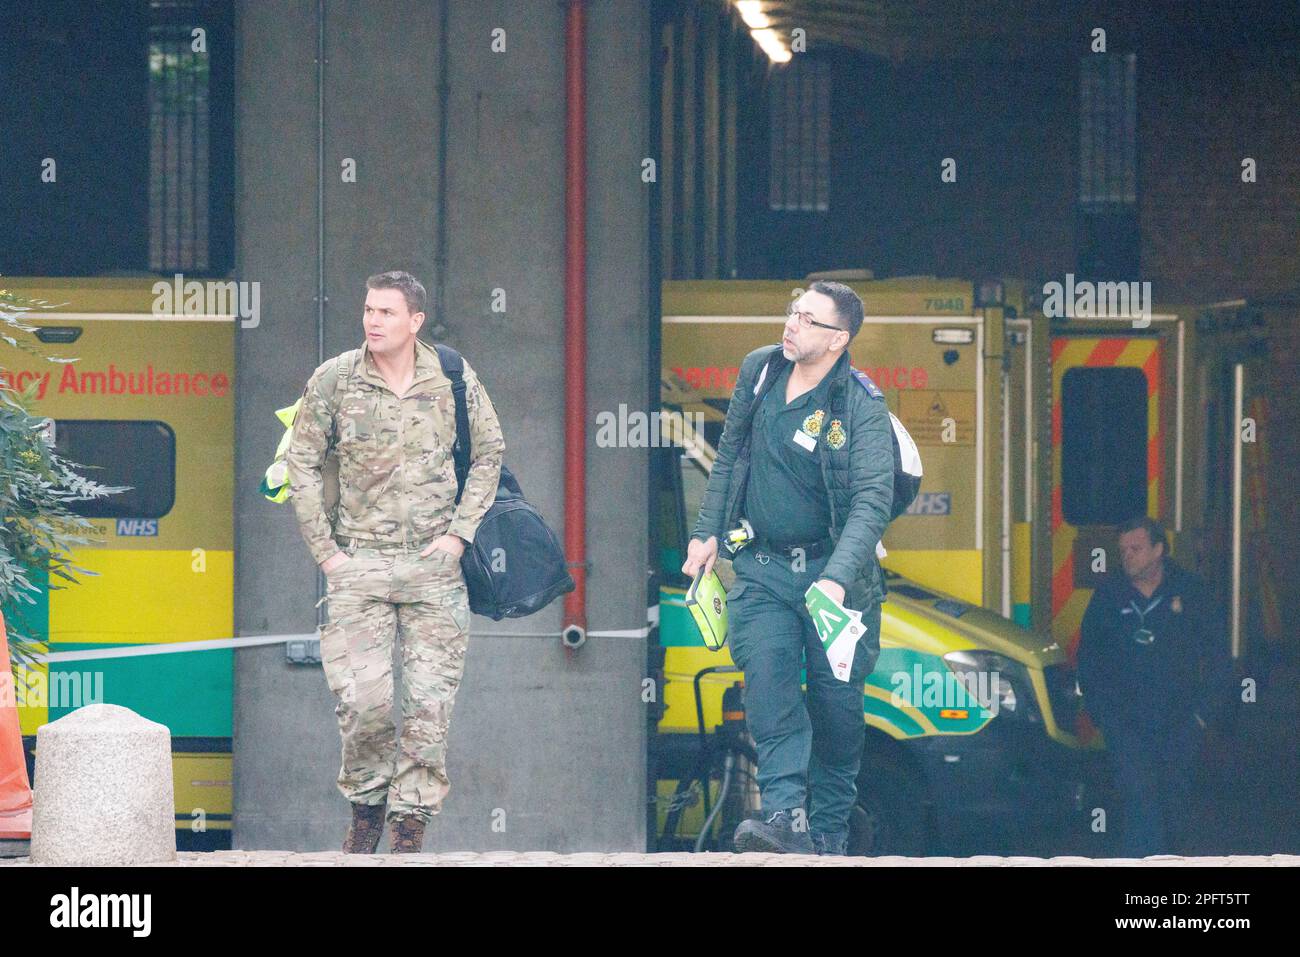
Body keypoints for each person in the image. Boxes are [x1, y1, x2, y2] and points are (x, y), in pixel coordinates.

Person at [285, 270, 504, 853]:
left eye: (386, 312)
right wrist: (327, 555)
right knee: (364, 703)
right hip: (359, 566)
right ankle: (366, 807)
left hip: (435, 568)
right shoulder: (334, 380)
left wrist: (460, 535)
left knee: (429, 706)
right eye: (367, 310)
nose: (373, 321)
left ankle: (410, 827)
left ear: (415, 321)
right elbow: (300, 464)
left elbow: (489, 454)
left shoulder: (452, 377)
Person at [682, 281, 895, 856]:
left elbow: (874, 499)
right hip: (762, 567)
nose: (792, 324)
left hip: (835, 579)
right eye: (792, 312)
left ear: (838, 339)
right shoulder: (760, 371)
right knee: (770, 685)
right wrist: (705, 533)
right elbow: (728, 455)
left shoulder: (861, 406)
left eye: (808, 319)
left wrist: (837, 577)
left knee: (836, 705)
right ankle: (785, 816)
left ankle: (829, 826)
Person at [1076, 515, 1235, 857]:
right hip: (1127, 726)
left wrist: (1202, 718)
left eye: (1136, 548)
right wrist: (1106, 718)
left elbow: (1219, 659)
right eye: (1123, 550)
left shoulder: (1192, 593)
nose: (1127, 555)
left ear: (1159, 550)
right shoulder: (1108, 598)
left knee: (1174, 802)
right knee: (1139, 796)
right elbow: (1089, 661)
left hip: (1180, 725)